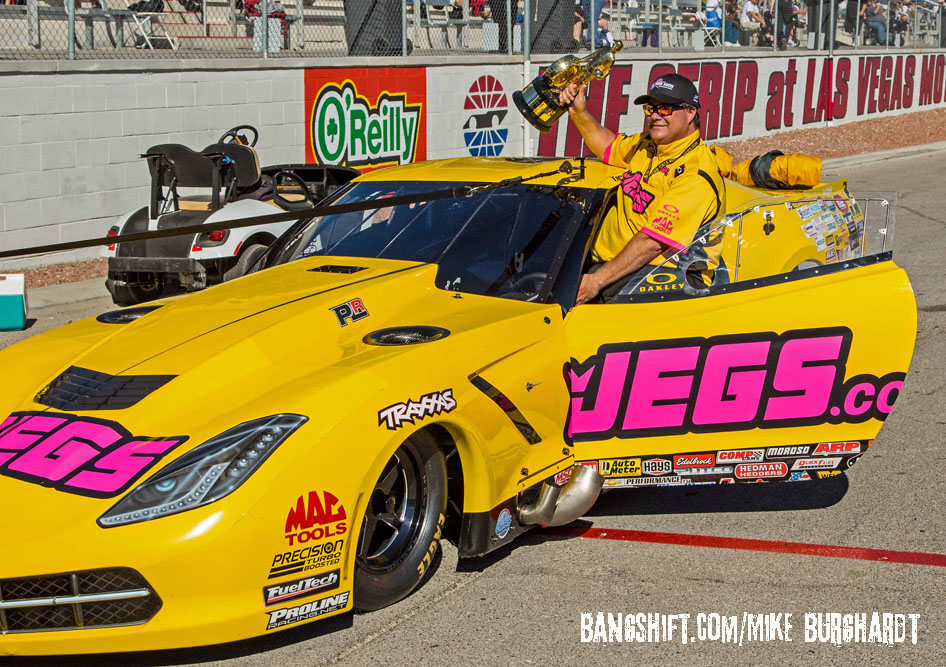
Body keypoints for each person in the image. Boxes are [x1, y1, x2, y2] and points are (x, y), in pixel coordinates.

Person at [558, 73, 726, 304]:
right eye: (651, 108)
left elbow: (652, 243)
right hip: (618, 265)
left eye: (665, 109)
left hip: (669, 274)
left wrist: (596, 281)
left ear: (690, 113)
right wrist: (578, 113)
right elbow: (609, 147)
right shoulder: (648, 144)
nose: (655, 116)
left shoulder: (696, 172)